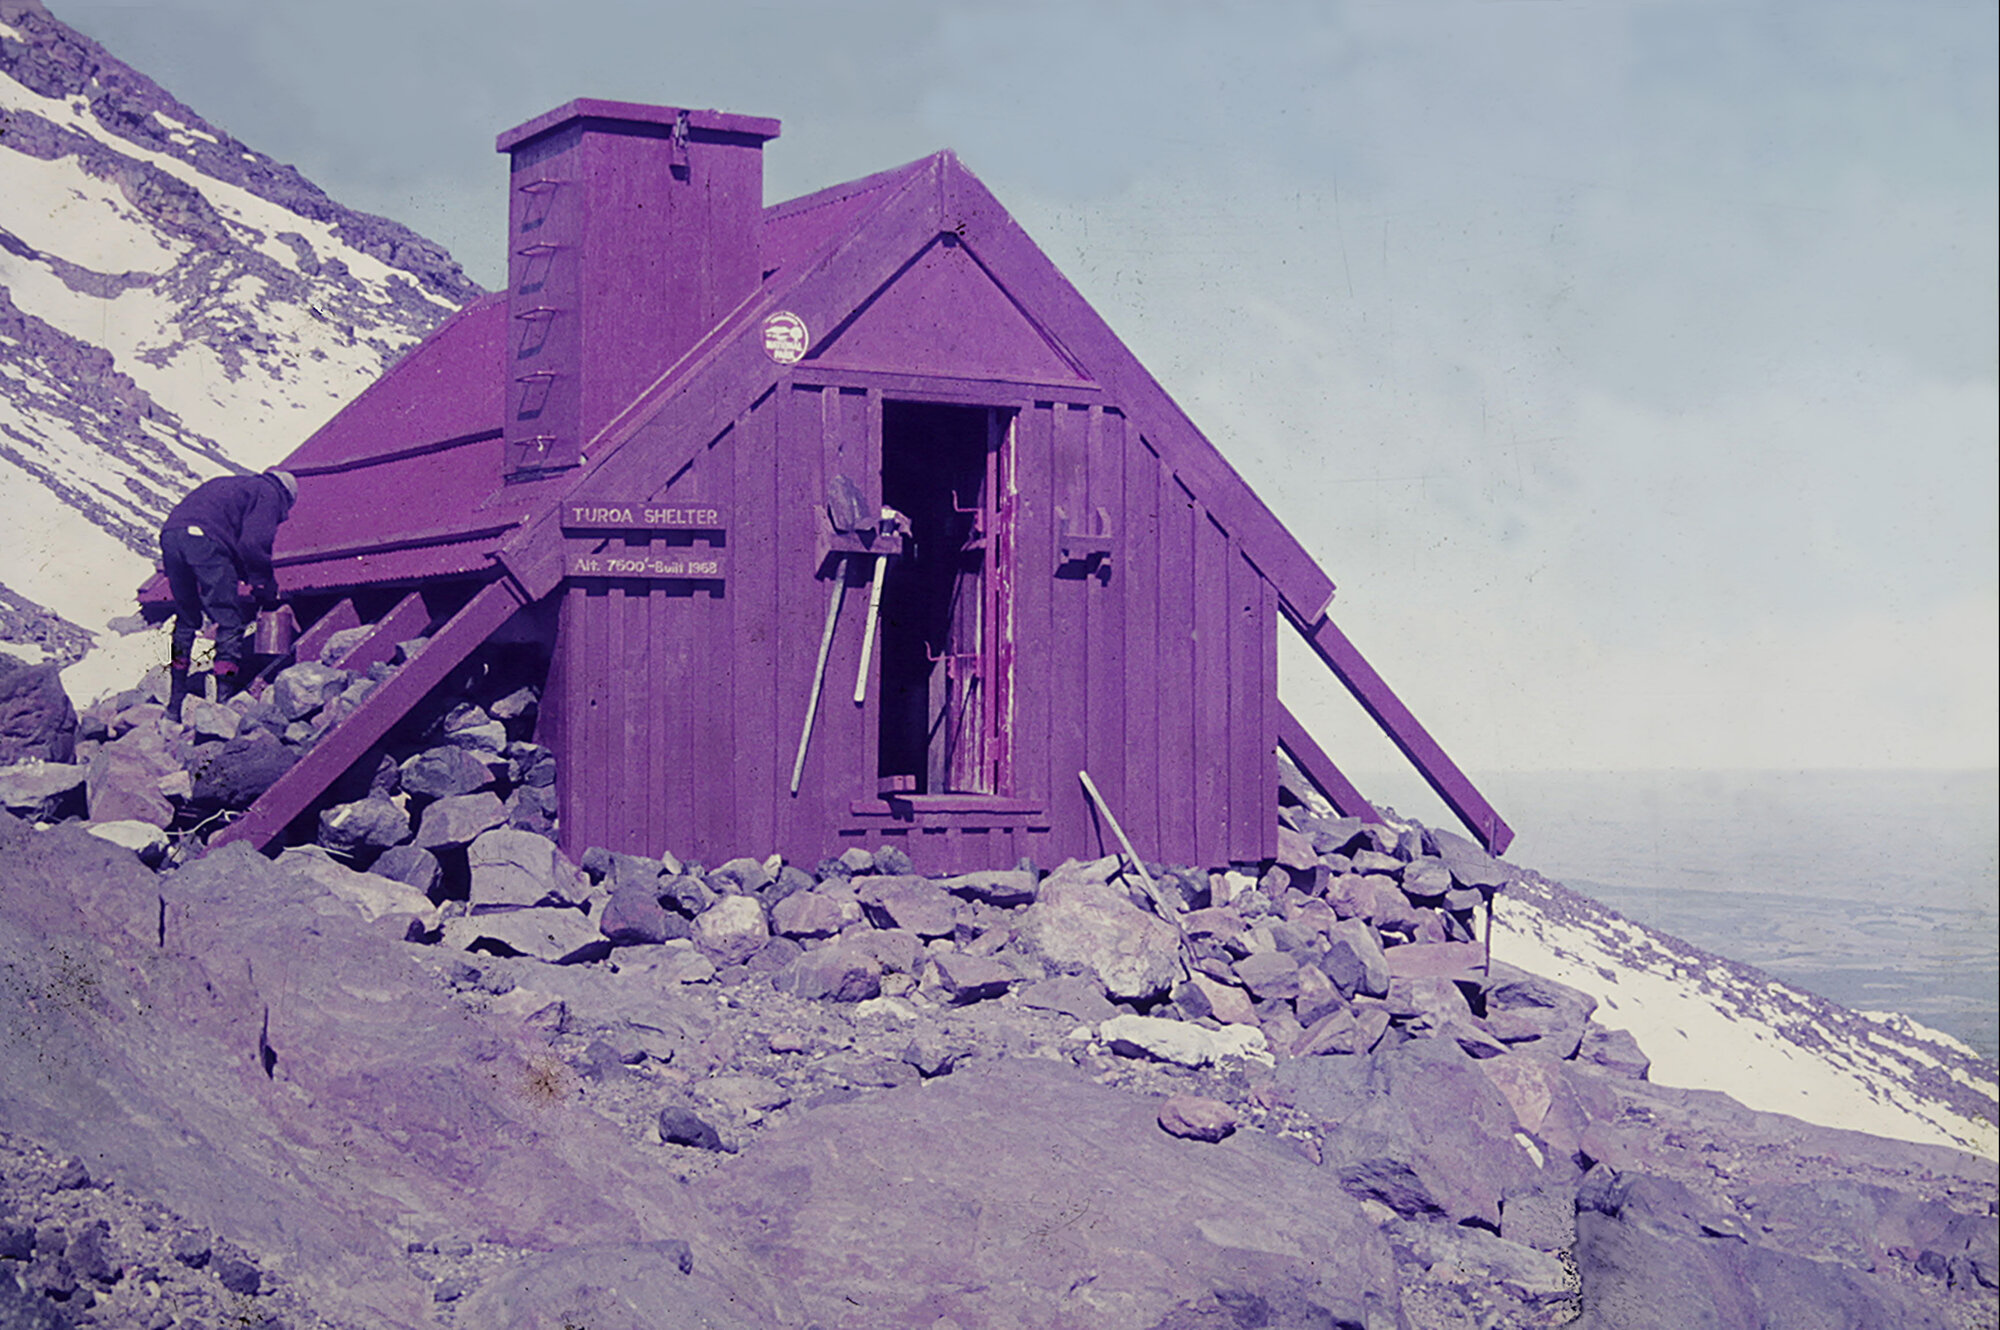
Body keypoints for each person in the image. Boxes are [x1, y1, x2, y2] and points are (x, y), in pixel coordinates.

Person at [159, 469, 298, 720]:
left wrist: (244, 573)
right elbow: (253, 544)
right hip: (204, 540)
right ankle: (224, 697)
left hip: (171, 536)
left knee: (187, 618)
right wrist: (265, 585)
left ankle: (175, 700)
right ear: (286, 497)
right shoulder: (270, 493)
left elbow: (236, 542)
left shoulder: (238, 486)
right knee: (229, 620)